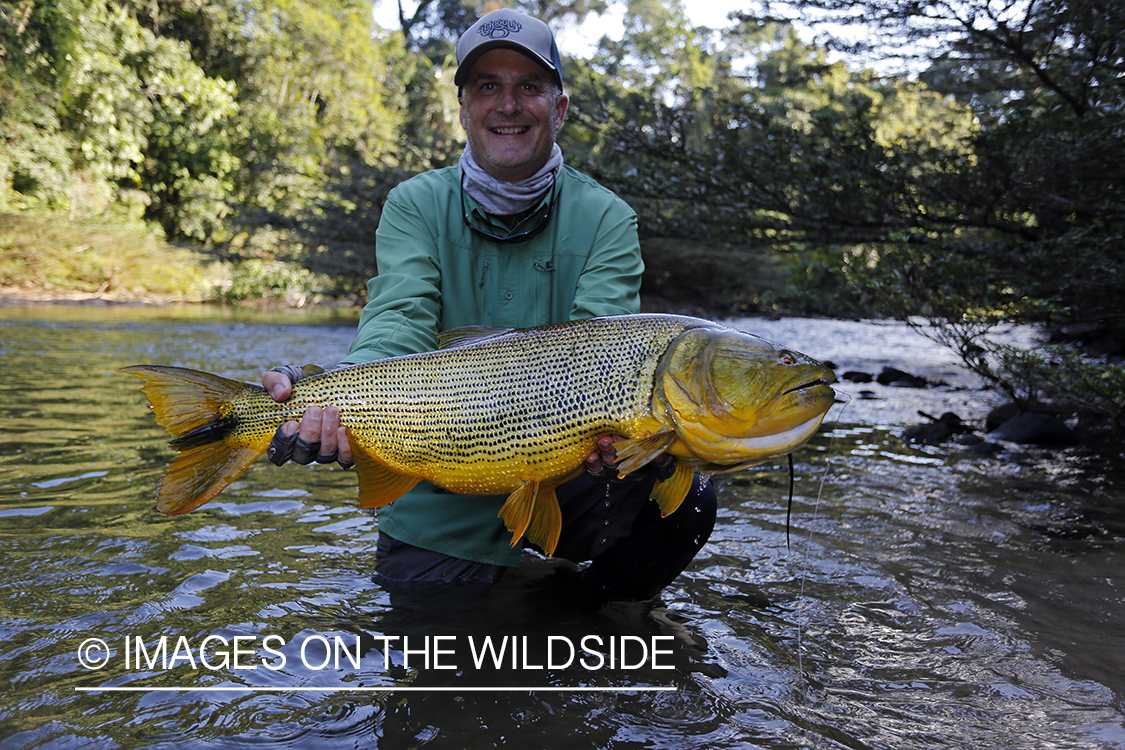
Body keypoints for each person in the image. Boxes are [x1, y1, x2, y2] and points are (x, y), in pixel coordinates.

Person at [264, 9, 716, 604]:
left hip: (567, 474)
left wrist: (632, 446)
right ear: (464, 109)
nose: (508, 105)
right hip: (438, 482)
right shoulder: (414, 205)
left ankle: (582, 610)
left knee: (690, 497)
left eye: (529, 86)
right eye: (488, 87)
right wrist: (333, 393)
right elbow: (398, 319)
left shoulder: (607, 217)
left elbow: (601, 354)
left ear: (558, 110)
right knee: (437, 667)